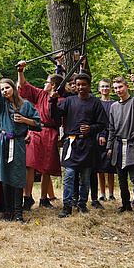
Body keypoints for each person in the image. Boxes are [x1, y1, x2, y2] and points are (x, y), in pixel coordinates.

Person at [0, 59, 42, 222]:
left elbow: (38, 123)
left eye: (7, 87)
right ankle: (8, 211)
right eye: (3, 89)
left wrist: (25, 120)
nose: (4, 91)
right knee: (5, 176)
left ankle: (18, 212)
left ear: (13, 88)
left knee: (18, 176)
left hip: (18, 143)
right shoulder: (1, 105)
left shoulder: (25, 105)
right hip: (3, 141)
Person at [50, 73, 107, 217]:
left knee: (86, 177)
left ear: (88, 85)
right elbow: (55, 115)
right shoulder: (69, 101)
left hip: (88, 144)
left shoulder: (95, 102)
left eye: (83, 84)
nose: (80, 87)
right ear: (74, 85)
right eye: (78, 84)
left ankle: (82, 204)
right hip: (72, 143)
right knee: (69, 175)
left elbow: (102, 124)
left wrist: (91, 128)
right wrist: (53, 101)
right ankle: (67, 205)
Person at [16, 62, 63, 209]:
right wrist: (20, 70)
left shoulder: (61, 100)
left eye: (47, 82)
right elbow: (24, 86)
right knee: (29, 165)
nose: (44, 84)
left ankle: (44, 199)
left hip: (50, 133)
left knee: (46, 168)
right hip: (35, 131)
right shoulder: (40, 94)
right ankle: (27, 197)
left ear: (53, 85)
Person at [105, 75, 134, 219]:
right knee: (122, 180)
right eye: (116, 88)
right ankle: (125, 205)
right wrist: (109, 146)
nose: (118, 90)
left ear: (127, 87)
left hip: (133, 145)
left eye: (120, 87)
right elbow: (111, 128)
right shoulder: (114, 107)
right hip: (118, 146)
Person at [97, 78, 116, 202]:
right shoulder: (96, 103)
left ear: (111, 88)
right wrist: (100, 135)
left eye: (107, 86)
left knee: (110, 166)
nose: (105, 89)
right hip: (99, 137)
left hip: (112, 136)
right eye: (102, 86)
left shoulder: (115, 104)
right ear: (99, 89)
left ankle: (111, 193)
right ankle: (102, 193)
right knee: (100, 167)